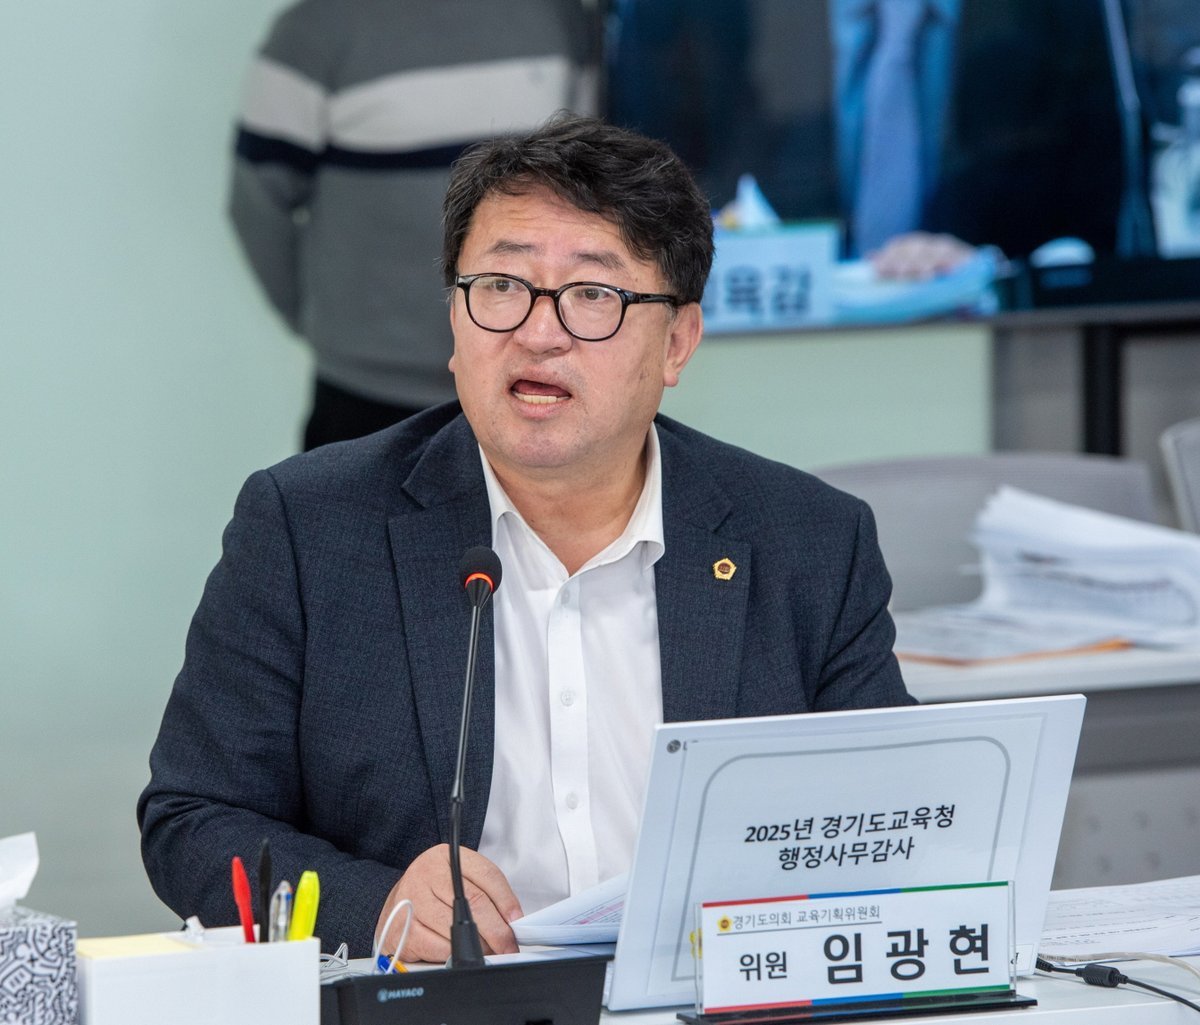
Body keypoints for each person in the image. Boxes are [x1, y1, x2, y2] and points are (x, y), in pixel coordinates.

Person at [140, 115, 914, 962]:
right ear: (455, 318)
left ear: (677, 343)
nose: (539, 332)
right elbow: (194, 818)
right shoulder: (309, 527)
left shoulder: (810, 542)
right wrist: (380, 905)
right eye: (502, 285)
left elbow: (893, 821)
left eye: (594, 294)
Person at [229, 0, 596, 449]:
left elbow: (595, 194)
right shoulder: (315, 29)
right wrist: (326, 326)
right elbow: (257, 202)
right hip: (364, 395)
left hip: (532, 384)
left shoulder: (561, 18)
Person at [608, 0, 1130, 279]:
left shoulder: (1062, 16)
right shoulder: (690, 14)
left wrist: (989, 269)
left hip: (1002, 365)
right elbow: (649, 222)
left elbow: (1099, 236)